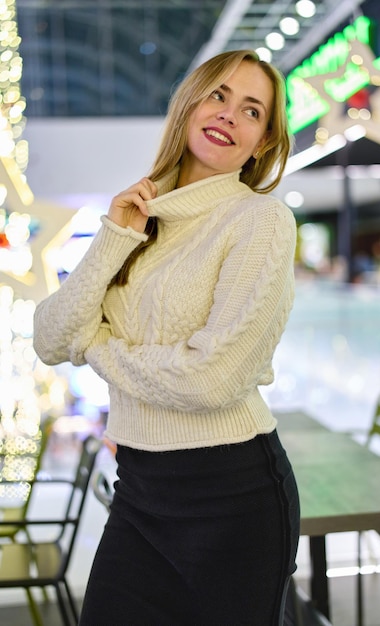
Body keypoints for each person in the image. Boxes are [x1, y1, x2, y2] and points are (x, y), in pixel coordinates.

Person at [33, 49, 300, 626]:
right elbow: (51, 339)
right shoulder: (140, 217)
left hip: (233, 495)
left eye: (251, 110)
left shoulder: (260, 221)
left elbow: (213, 378)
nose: (229, 114)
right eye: (218, 95)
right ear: (188, 106)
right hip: (139, 489)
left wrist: (98, 347)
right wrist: (113, 238)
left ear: (261, 143)